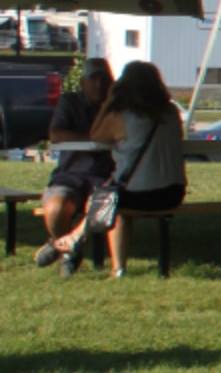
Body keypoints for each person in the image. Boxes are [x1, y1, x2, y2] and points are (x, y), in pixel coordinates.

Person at [69, 61, 189, 280]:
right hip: (173, 192)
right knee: (111, 198)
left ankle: (112, 264)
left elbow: (95, 135)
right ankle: (76, 237)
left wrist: (108, 102)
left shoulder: (121, 116)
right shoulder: (171, 112)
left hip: (139, 194)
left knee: (108, 200)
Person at [33, 58, 116, 270]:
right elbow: (56, 134)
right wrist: (95, 139)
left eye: (104, 79)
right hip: (71, 175)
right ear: (83, 82)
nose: (99, 84)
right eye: (93, 79)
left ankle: (60, 247)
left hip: (105, 177)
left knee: (105, 205)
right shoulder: (70, 102)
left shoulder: (117, 108)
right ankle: (70, 251)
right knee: (55, 209)